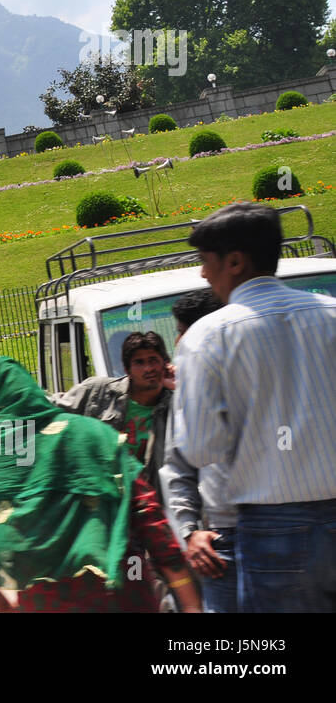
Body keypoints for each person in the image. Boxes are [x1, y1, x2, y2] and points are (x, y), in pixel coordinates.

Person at [172, 202, 336, 612]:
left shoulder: (209, 336)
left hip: (272, 529)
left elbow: (200, 448)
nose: (203, 274)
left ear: (235, 261)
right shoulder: (331, 314)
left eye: (206, 261)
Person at [0, 356, 200, 613]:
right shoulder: (94, 435)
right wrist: (190, 602)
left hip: (45, 603)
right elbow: (147, 515)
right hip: (122, 596)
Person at [159, 289, 234, 612]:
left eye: (179, 331)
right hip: (221, 537)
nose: (176, 342)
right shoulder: (188, 387)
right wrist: (191, 532)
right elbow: (178, 467)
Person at [51, 330, 173, 496]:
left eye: (153, 360)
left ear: (164, 364)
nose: (148, 368)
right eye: (139, 362)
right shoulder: (98, 392)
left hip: (147, 506)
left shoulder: (175, 408)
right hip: (99, 499)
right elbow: (51, 409)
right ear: (127, 369)